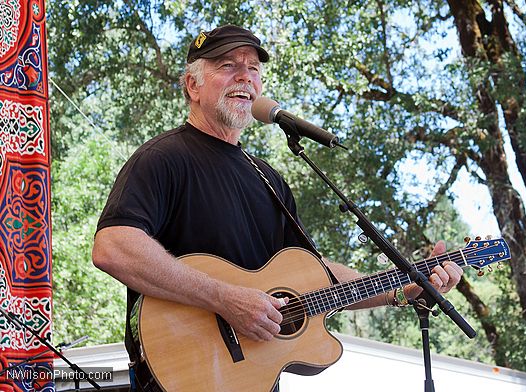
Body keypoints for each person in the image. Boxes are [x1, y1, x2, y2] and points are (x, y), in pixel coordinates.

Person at [92, 25, 463, 391]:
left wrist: (405, 285)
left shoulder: (268, 179)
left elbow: (319, 277)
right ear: (193, 86)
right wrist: (226, 299)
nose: (245, 77)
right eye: (227, 66)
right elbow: (113, 248)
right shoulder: (163, 158)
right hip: (183, 375)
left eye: (253, 68)